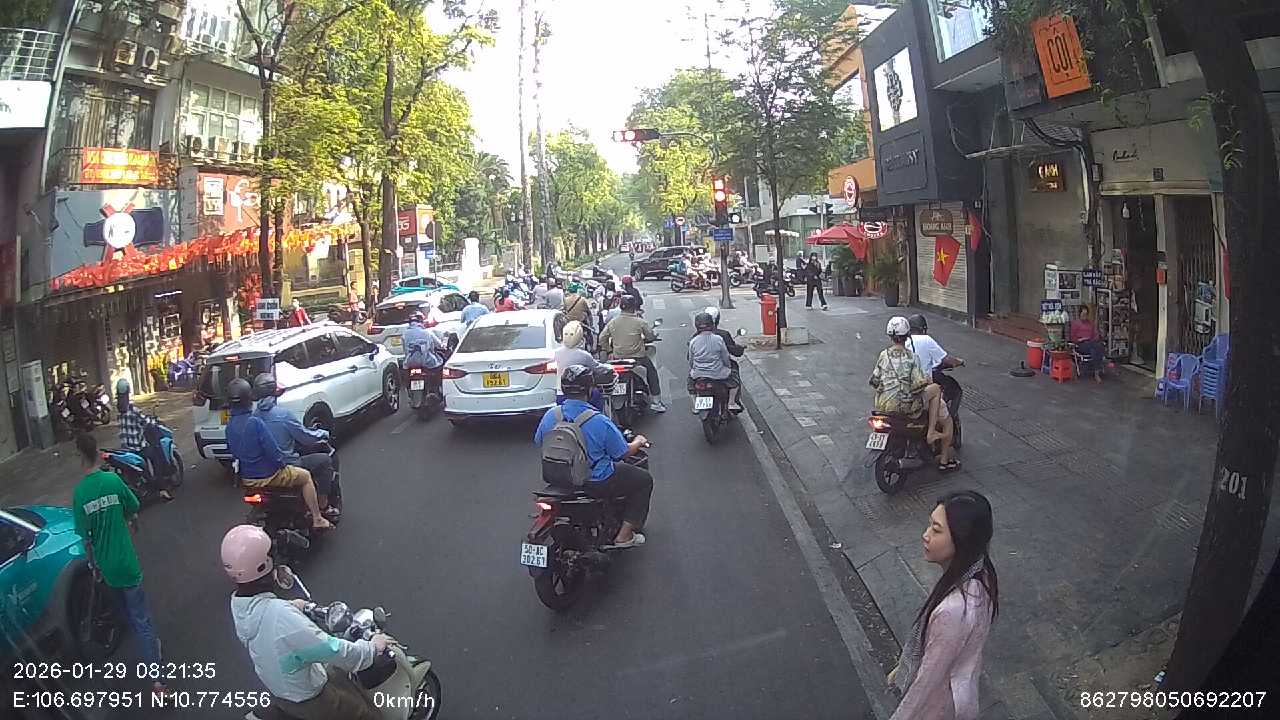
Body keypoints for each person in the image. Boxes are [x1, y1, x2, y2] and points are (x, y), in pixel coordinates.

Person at [222, 525, 388, 719]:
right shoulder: (281, 618)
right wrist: (371, 649)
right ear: (264, 565)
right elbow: (331, 649)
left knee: (336, 674)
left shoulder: (240, 606)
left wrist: (292, 606)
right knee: (366, 715)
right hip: (310, 698)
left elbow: (270, 624)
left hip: (284, 691)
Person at [72, 432, 168, 697]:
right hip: (127, 564)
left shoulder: (80, 494)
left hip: (106, 569)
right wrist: (131, 519)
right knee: (142, 619)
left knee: (126, 613)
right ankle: (158, 681)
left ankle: (148, 651)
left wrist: (94, 566)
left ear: (80, 456)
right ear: (96, 453)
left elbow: (86, 539)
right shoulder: (113, 481)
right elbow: (133, 505)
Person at [888, 491, 999, 720]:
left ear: (961, 540)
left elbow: (926, 682)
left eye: (936, 530)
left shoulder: (953, 612)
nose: (925, 535)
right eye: (929, 525)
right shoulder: (982, 573)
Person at [533, 365, 653, 548]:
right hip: (597, 481)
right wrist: (638, 441)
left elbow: (539, 441)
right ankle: (624, 536)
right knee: (644, 480)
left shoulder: (551, 415)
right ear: (590, 389)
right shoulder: (599, 420)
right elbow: (622, 453)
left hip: (559, 479)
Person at [224, 378, 333, 530]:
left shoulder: (230, 426)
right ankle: (318, 518)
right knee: (306, 476)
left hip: (247, 479)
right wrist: (282, 464)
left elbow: (234, 453)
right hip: (269, 476)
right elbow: (273, 451)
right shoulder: (255, 422)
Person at [870, 317, 955, 470]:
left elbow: (874, 381)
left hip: (882, 406)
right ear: (907, 336)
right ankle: (931, 432)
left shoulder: (883, 355)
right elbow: (917, 386)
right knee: (935, 388)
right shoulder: (912, 357)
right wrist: (926, 381)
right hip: (906, 407)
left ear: (890, 336)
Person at [252, 374, 339, 519]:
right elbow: (305, 437)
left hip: (262, 470)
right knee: (325, 461)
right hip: (287, 465)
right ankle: (323, 505)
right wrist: (323, 433)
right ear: (274, 391)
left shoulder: (253, 417)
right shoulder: (283, 415)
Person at [599, 294, 666, 412]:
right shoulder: (640, 322)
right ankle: (656, 402)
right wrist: (653, 337)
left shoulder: (613, 322)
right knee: (651, 372)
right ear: (634, 307)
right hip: (638, 359)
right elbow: (650, 336)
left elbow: (602, 338)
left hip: (618, 358)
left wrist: (609, 350)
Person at [114, 378, 173, 501]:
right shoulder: (133, 410)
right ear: (128, 391)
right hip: (138, 447)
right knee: (156, 458)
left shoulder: (118, 409)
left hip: (125, 447)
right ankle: (162, 489)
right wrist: (154, 422)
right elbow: (146, 421)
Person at [907, 313, 966, 408]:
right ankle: (943, 415)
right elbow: (946, 359)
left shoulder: (904, 341)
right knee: (946, 391)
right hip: (922, 384)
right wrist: (959, 361)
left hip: (905, 385)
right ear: (923, 329)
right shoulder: (926, 339)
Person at [554, 321, 609, 410]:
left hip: (560, 393)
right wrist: (609, 367)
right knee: (598, 396)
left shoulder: (556, 353)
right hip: (581, 393)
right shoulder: (584, 355)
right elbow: (597, 368)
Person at [687, 312, 736, 410]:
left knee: (690, 386)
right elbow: (725, 356)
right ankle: (731, 403)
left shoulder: (693, 341)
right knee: (735, 382)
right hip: (718, 373)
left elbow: (691, 360)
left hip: (698, 374)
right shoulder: (718, 339)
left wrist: (694, 369)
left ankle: (696, 406)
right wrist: (728, 367)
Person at [700, 306, 745, 411]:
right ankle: (732, 402)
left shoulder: (696, 337)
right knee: (734, 379)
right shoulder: (722, 335)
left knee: (692, 385)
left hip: (700, 371)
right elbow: (727, 355)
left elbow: (690, 357)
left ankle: (698, 406)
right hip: (719, 369)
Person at [1069, 305, 1106, 383]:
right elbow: (1072, 338)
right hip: (1081, 344)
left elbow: (1095, 334)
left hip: (1091, 342)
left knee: (1097, 347)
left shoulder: (1090, 323)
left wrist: (1095, 338)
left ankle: (1096, 373)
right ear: (1079, 314)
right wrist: (1080, 339)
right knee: (1096, 348)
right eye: (1083, 314)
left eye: (1086, 314)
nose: (1085, 316)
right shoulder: (1075, 323)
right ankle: (1096, 373)